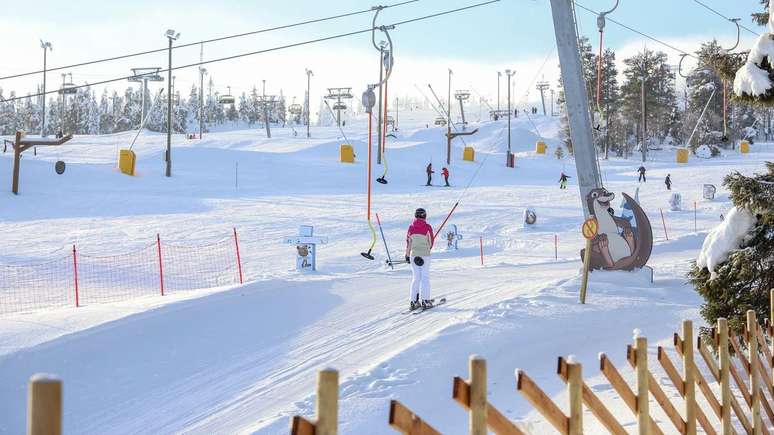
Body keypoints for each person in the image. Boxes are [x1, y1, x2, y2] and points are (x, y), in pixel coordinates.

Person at [405, 208, 434, 310]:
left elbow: (409, 243)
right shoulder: (427, 227)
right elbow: (431, 243)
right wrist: (426, 248)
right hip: (425, 255)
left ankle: (413, 301)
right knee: (425, 277)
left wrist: (407, 255)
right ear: (424, 216)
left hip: (414, 256)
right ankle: (425, 301)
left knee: (416, 278)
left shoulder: (411, 228)